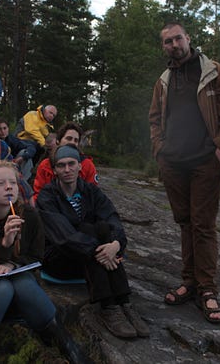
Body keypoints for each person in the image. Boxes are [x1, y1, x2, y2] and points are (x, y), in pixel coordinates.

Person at [0, 160, 91, 363]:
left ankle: (70, 349)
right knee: (1, 288)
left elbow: (36, 256)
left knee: (20, 281)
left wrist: (11, 265)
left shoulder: (29, 215)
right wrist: (5, 243)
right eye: (0, 183)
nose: (9, 187)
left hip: (19, 288)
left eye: (13, 183)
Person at [149, 21, 220, 324]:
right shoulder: (164, 80)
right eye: (168, 41)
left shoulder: (214, 72)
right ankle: (189, 282)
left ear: (188, 38)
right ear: (163, 46)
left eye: (178, 39)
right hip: (173, 163)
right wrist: (160, 150)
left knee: (203, 224)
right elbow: (154, 119)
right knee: (185, 222)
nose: (174, 45)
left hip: (205, 162)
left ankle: (207, 289)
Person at [37, 144, 149, 339]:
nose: (67, 169)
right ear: (54, 170)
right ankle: (108, 306)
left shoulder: (91, 191)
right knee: (87, 230)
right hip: (59, 260)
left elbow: (112, 218)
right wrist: (101, 251)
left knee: (103, 227)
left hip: (88, 259)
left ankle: (124, 302)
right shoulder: (47, 196)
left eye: (71, 164)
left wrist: (116, 245)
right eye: (61, 165)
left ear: (80, 166)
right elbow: (64, 237)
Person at [32, 121, 98, 202]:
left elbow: (93, 196)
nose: (72, 142)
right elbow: (38, 194)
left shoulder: (87, 165)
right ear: (58, 141)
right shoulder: (45, 165)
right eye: (68, 138)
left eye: (76, 140)